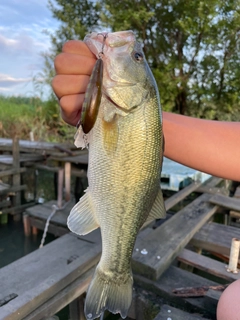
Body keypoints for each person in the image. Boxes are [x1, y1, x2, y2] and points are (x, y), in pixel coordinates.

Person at [52, 40, 240, 320]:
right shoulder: (127, 105)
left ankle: (113, 269)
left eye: (136, 57)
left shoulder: (131, 104)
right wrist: (94, 105)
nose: (131, 53)